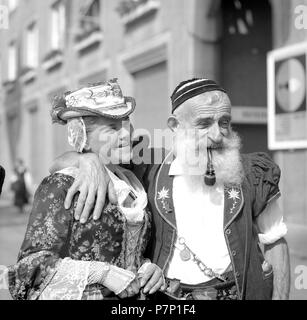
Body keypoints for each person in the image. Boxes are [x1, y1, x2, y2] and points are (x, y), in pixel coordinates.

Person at [51, 78, 290, 300]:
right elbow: (59, 164)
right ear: (175, 126)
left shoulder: (252, 173)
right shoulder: (146, 172)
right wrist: (86, 160)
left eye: (224, 122)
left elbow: (275, 243)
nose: (218, 135)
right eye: (204, 124)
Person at [8, 79, 165, 300]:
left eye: (126, 124)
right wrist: (101, 273)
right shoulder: (61, 185)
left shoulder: (132, 179)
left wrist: (148, 268)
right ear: (83, 137)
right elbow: (27, 272)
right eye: (111, 128)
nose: (126, 135)